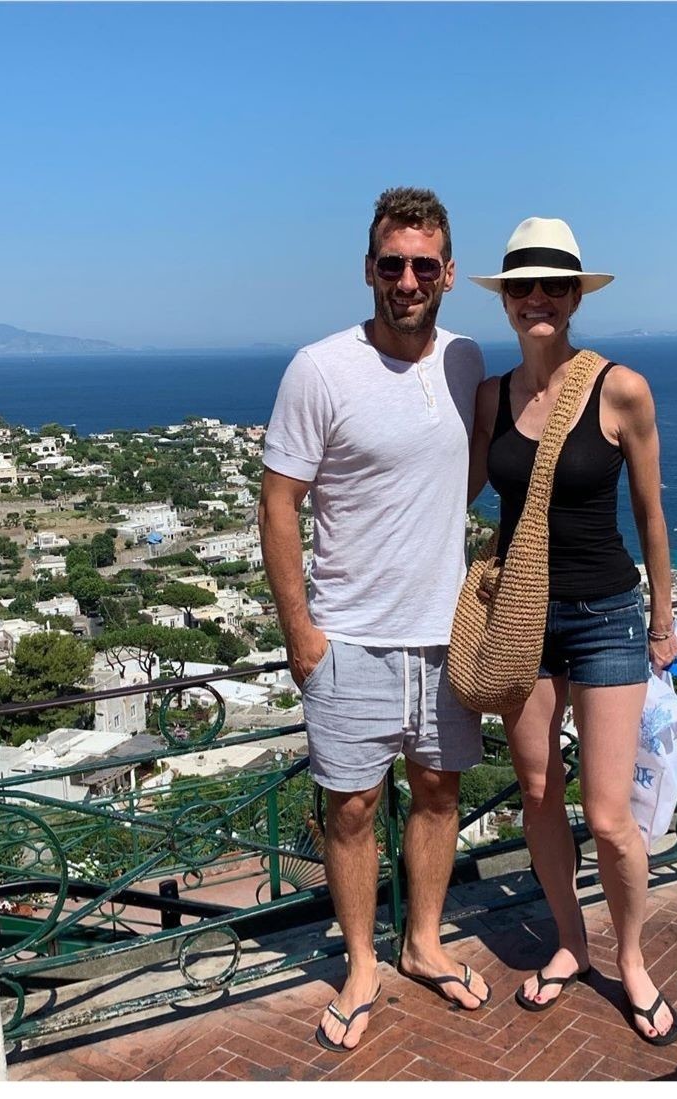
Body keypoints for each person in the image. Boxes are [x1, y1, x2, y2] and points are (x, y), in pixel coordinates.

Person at [259, 187, 491, 1054]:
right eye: (392, 263)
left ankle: (422, 941)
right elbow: (277, 505)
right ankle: (361, 963)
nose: (407, 279)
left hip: (443, 633)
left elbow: (464, 473)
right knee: (351, 809)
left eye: (424, 265)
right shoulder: (320, 369)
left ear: (449, 273)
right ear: (369, 269)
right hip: (349, 637)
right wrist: (302, 635)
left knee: (438, 792)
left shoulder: (467, 359)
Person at [466, 217, 677, 1044]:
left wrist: (663, 615)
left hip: (605, 618)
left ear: (575, 296)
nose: (538, 299)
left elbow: (651, 513)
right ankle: (570, 940)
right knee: (536, 793)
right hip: (521, 620)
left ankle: (631, 959)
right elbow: (451, 490)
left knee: (610, 814)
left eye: (554, 285)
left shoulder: (621, 389)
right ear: (506, 300)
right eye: (523, 287)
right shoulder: (491, 397)